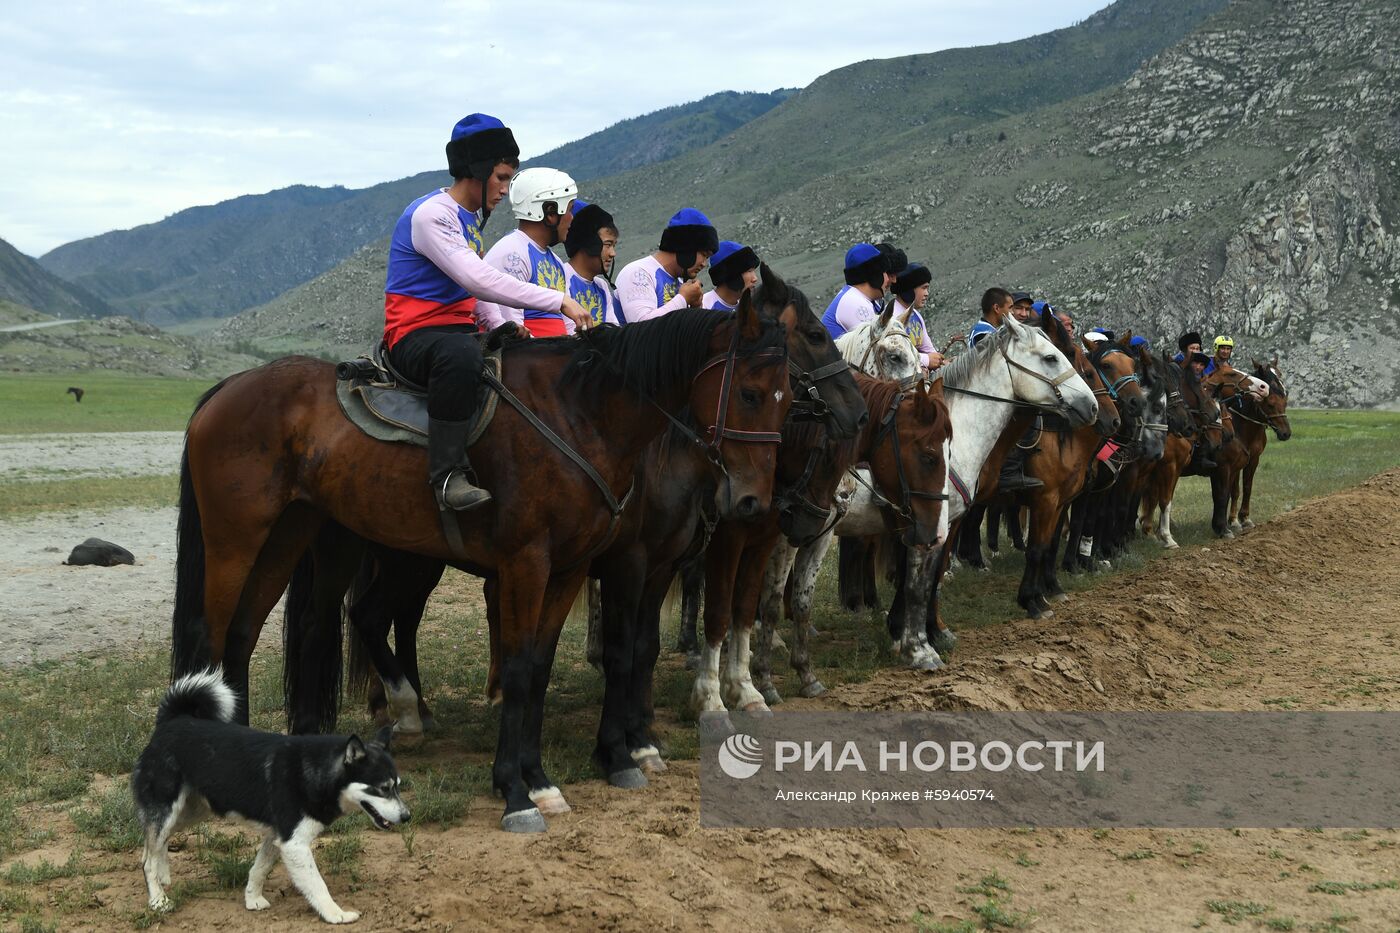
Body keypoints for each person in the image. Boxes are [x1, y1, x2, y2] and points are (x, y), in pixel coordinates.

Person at [383, 113, 591, 511]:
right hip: (415, 335)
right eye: (501, 177)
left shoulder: (468, 222)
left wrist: (502, 328)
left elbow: (474, 295)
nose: (505, 190)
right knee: (459, 356)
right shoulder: (432, 215)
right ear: (476, 172)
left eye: (510, 179)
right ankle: (446, 476)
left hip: (460, 331)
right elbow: (477, 279)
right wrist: (556, 299)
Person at [475, 167, 579, 337]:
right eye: (569, 210)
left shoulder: (556, 262)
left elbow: (569, 325)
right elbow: (511, 330)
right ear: (551, 213)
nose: (571, 218)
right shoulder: (511, 255)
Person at [615, 208, 718, 322]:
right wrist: (683, 298)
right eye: (704, 255)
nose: (704, 264)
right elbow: (641, 325)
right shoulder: (638, 273)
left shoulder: (680, 282)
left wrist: (696, 308)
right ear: (686, 248)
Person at [563, 201, 622, 327]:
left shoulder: (602, 287)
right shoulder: (561, 279)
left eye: (613, 246)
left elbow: (613, 333)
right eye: (608, 245)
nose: (613, 253)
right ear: (589, 243)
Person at [821, 243, 898, 339]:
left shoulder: (856, 296)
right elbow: (878, 346)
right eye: (884, 272)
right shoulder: (855, 303)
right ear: (875, 276)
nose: (888, 279)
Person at [890, 262, 944, 371]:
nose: (927, 293)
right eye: (923, 288)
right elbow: (895, 355)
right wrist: (926, 360)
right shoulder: (892, 317)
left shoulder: (916, 316)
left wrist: (942, 362)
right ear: (909, 289)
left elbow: (929, 350)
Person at [703, 241, 759, 311]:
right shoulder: (704, 308)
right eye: (749, 271)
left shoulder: (749, 307)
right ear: (731, 275)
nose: (755, 278)